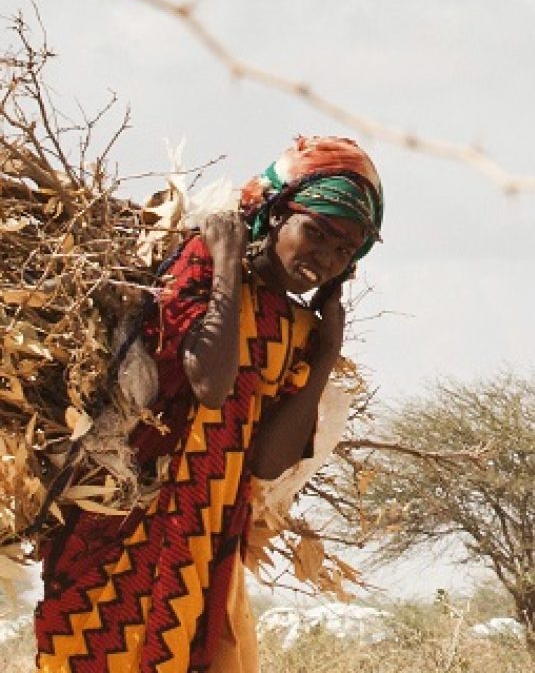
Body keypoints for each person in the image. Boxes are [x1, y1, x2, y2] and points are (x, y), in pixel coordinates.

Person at [35, 136, 380, 673]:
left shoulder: (298, 331)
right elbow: (209, 383)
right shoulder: (201, 263)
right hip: (124, 522)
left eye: (344, 252)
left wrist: (327, 351)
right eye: (316, 233)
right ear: (274, 213)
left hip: (207, 538)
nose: (325, 260)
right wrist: (225, 267)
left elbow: (268, 461)